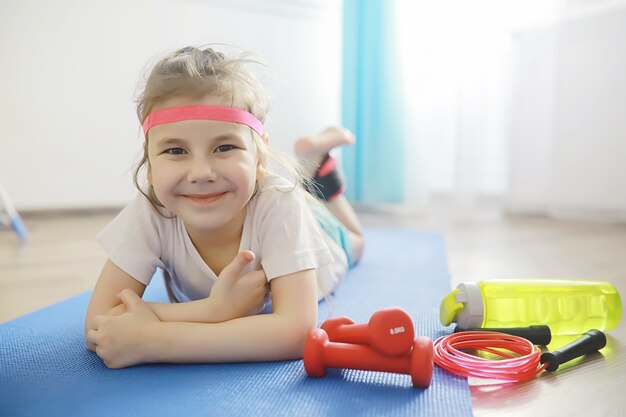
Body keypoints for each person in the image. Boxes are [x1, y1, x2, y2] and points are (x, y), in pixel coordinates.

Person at [84, 45, 364, 369]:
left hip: (315, 231)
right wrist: (212, 310)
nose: (201, 173)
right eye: (175, 151)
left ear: (259, 158)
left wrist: (154, 341)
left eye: (225, 147)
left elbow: (296, 331)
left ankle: (320, 170)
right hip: (261, 201)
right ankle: (313, 164)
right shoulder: (151, 209)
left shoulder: (280, 205)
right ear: (149, 162)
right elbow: (100, 322)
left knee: (357, 241)